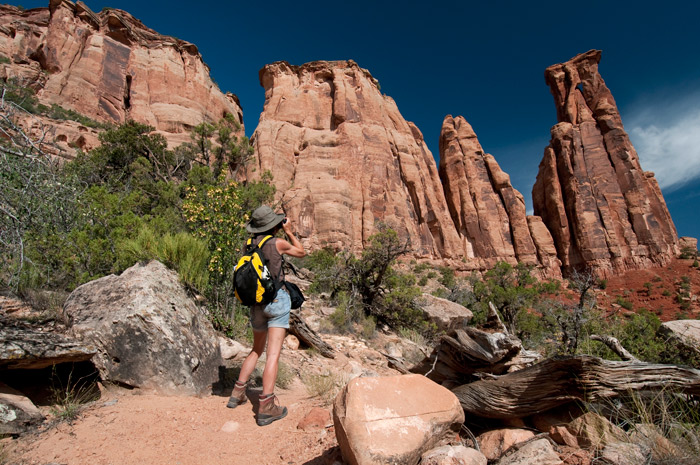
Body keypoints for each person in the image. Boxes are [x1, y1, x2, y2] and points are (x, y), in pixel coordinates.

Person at [227, 205, 305, 426]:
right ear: (274, 225)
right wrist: (289, 231)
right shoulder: (277, 243)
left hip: (256, 304)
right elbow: (301, 252)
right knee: (272, 356)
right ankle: (267, 406)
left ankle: (237, 393)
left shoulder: (249, 244)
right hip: (277, 301)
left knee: (255, 350)